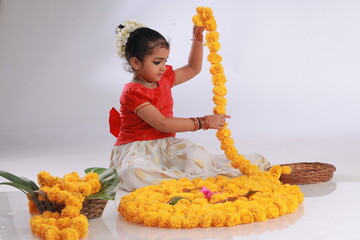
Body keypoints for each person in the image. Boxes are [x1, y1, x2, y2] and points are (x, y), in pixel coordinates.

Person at [109, 20, 270, 192]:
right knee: (132, 173)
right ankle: (184, 181)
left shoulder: (164, 79)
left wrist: (197, 38)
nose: (163, 68)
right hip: (138, 150)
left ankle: (187, 177)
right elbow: (162, 123)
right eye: (157, 62)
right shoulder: (132, 92)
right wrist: (203, 122)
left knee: (196, 157)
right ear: (135, 63)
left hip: (166, 145)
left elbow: (193, 68)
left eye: (165, 61)